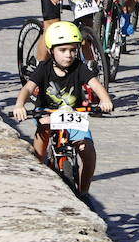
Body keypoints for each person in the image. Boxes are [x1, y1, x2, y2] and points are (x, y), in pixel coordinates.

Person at [11, 20, 114, 194]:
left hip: (74, 117)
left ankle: (83, 192)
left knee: (88, 154)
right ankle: (37, 183)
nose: (68, 55)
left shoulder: (79, 68)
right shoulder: (43, 68)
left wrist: (105, 100)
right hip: (47, 114)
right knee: (39, 152)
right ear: (51, 51)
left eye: (73, 50)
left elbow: (96, 85)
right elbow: (28, 88)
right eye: (63, 50)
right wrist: (20, 105)